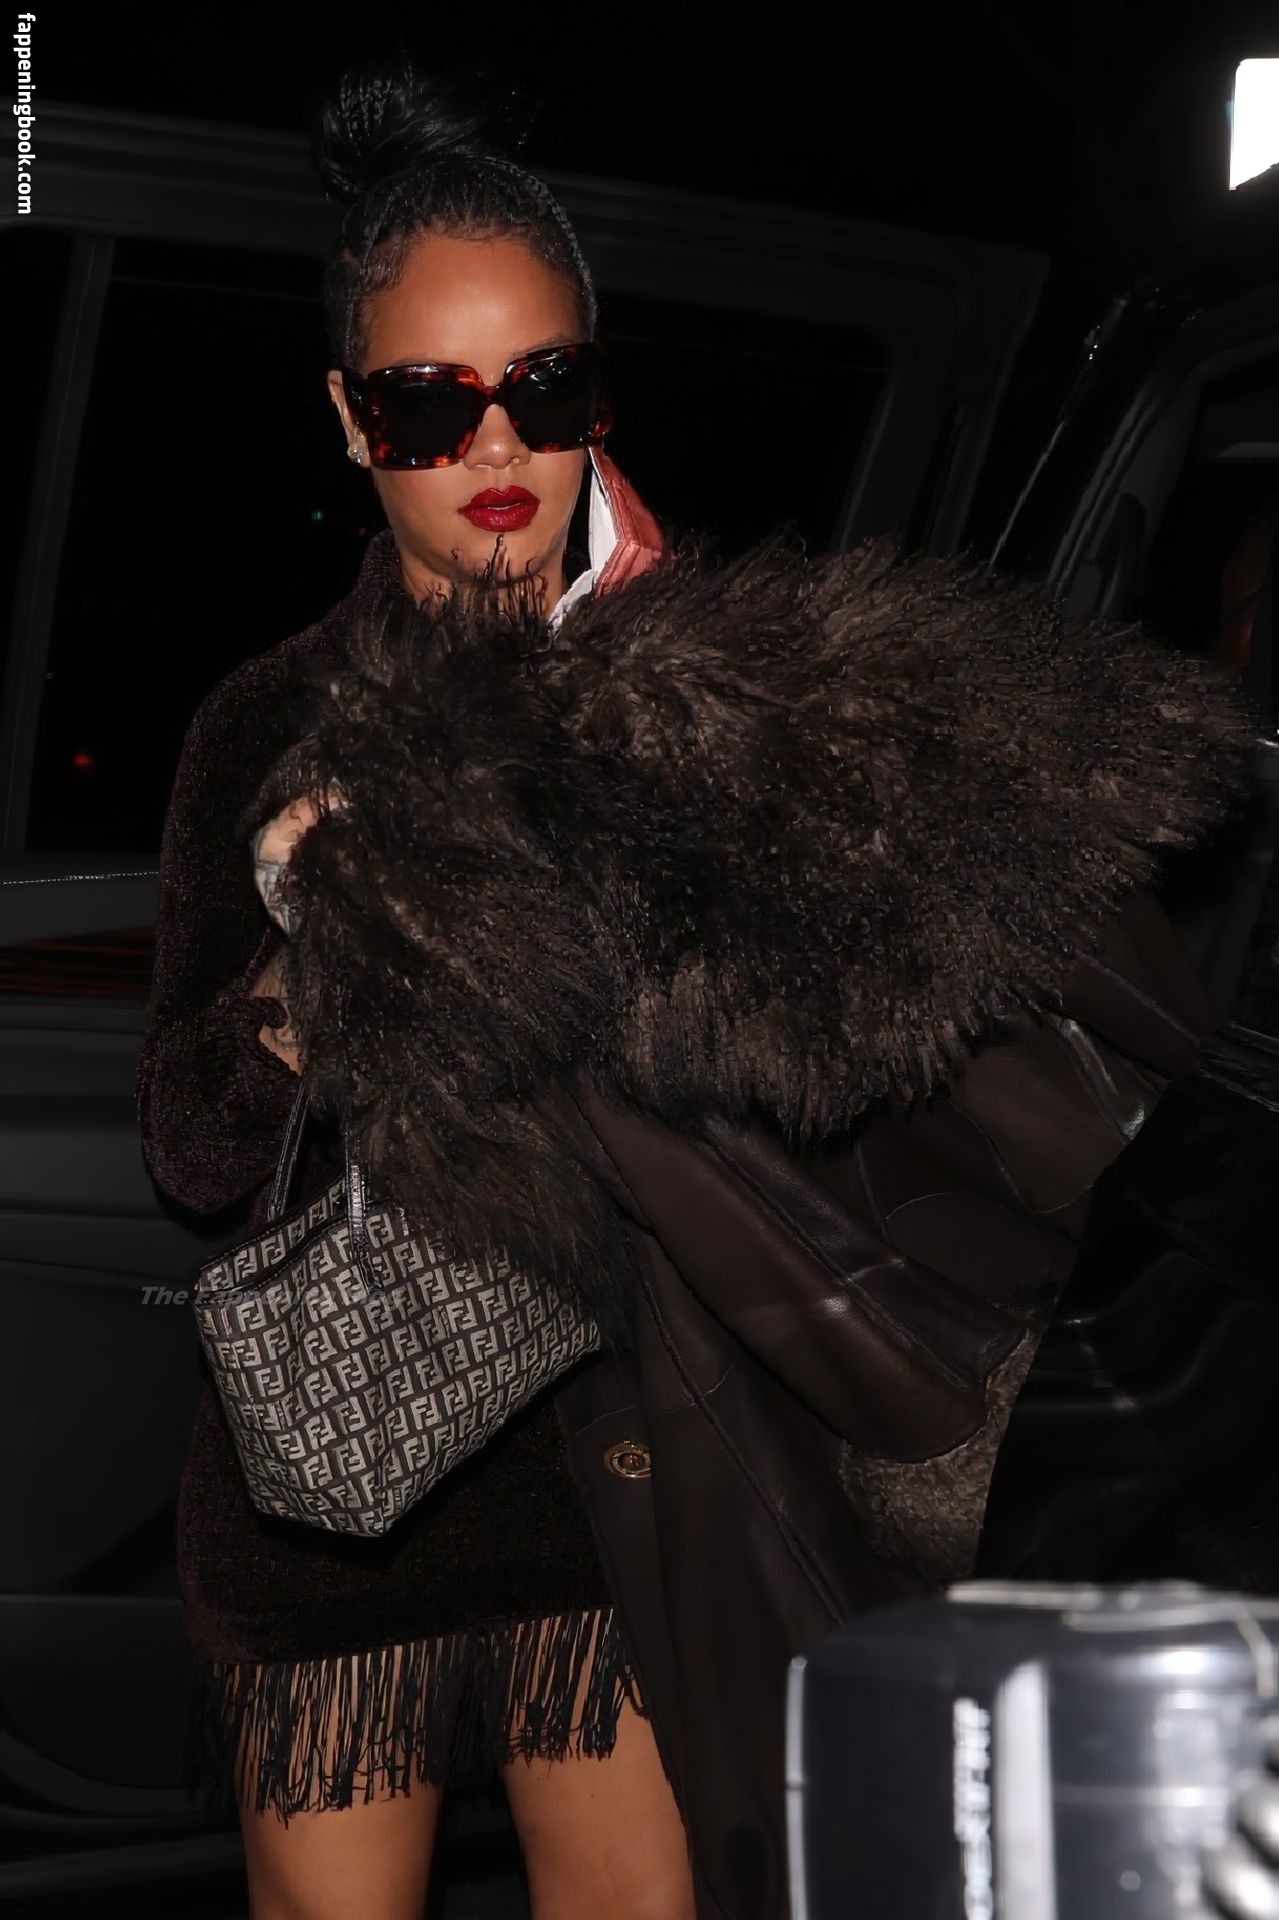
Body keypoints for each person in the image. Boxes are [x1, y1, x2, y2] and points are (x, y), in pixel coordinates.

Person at [138, 47, 1255, 1920]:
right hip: (336, 1504)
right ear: (350, 420)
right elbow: (189, 1146)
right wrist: (317, 942)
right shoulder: (264, 724)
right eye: (429, 405)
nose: (496, 450)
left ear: (598, 393)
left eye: (543, 388)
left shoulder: (698, 686)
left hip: (622, 1487)